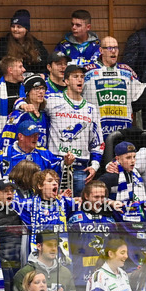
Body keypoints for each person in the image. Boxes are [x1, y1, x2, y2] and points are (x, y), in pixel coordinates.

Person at [44, 63, 104, 195]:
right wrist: (22, 104)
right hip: (55, 166)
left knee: (79, 203)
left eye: (82, 77)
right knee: (53, 202)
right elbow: (31, 101)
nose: (80, 80)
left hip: (81, 168)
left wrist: (95, 166)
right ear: (66, 81)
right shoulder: (52, 100)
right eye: (75, 76)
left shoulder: (91, 109)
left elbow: (98, 142)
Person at [82, 36, 146, 137]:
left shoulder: (127, 71)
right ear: (101, 50)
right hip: (96, 131)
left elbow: (141, 92)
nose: (114, 51)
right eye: (109, 48)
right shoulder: (87, 72)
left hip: (123, 131)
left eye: (116, 48)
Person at [0, 54, 28, 144]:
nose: (24, 70)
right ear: (10, 70)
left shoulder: (27, 88)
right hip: (1, 141)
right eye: (20, 67)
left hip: (25, 140)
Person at [0, 74, 48, 152]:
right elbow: (6, 140)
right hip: (21, 157)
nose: (41, 92)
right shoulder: (18, 115)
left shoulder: (45, 115)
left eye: (43, 88)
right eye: (36, 88)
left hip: (40, 157)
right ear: (28, 92)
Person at [0, 9, 47, 76]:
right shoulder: (2, 46)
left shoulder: (36, 45)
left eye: (19, 27)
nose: (15, 29)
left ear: (26, 29)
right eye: (13, 26)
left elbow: (45, 66)